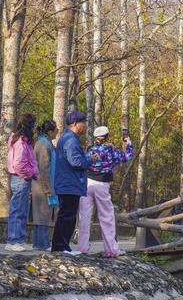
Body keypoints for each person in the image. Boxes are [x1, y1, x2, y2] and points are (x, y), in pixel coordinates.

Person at [78, 125, 133, 257]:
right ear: (107, 136)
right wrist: (128, 144)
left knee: (84, 216)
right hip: (102, 184)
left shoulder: (90, 150)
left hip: (87, 183)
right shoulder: (111, 150)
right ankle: (111, 249)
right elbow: (127, 157)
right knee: (106, 216)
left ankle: (82, 248)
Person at [51, 110, 94, 255]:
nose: (85, 126)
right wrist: (90, 159)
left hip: (69, 183)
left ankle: (63, 246)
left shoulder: (68, 138)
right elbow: (76, 161)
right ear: (75, 124)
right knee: (66, 216)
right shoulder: (70, 140)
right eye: (83, 123)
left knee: (68, 216)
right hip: (69, 184)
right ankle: (59, 247)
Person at [6, 113, 39, 252]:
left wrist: (33, 174)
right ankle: (13, 241)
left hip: (24, 179)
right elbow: (19, 164)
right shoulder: (20, 142)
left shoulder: (25, 141)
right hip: (20, 178)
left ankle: (19, 239)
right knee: (17, 210)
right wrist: (30, 173)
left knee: (23, 211)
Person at [32, 120, 59, 251]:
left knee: (43, 214)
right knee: (42, 214)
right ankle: (42, 243)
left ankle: (39, 243)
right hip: (42, 185)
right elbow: (44, 167)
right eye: (55, 130)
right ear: (50, 132)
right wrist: (48, 188)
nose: (57, 132)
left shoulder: (46, 143)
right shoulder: (43, 144)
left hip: (42, 183)